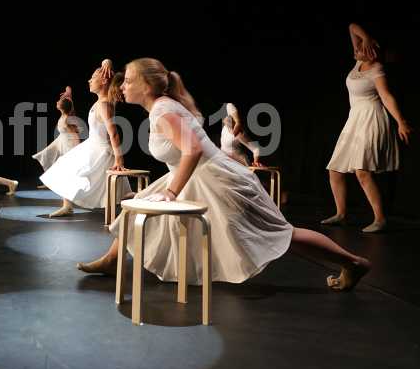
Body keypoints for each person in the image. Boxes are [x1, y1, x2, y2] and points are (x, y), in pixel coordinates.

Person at [78, 58, 370, 291]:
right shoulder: (164, 106)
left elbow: (193, 150)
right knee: (136, 209)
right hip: (200, 176)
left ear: (146, 85)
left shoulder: (162, 111)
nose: (122, 86)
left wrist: (170, 192)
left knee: (281, 235)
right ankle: (113, 260)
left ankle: (353, 262)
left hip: (218, 181)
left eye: (129, 80)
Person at [323, 23, 411, 232]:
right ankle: (341, 214)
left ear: (373, 51)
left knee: (362, 171)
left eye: (361, 47)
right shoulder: (359, 63)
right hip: (354, 119)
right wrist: (366, 38)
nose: (356, 49)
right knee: (335, 169)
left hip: (371, 118)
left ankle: (380, 219)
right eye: (359, 45)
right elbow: (351, 26)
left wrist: (401, 121)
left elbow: (386, 97)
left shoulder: (376, 70)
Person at [40, 60, 132, 217]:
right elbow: (108, 66)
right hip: (92, 146)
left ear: (104, 81)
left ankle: (140, 202)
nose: (89, 80)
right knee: (64, 165)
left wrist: (119, 159)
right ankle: (67, 206)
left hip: (100, 151)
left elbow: (114, 133)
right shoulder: (100, 102)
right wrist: (106, 62)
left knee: (116, 191)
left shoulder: (105, 104)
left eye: (93, 77)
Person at [32, 85, 81, 171]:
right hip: (63, 143)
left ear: (63, 106)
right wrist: (68, 93)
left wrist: (78, 149)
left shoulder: (67, 119)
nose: (57, 102)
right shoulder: (66, 114)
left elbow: (75, 135)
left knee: (69, 165)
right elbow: (68, 89)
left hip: (69, 145)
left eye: (59, 101)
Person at [220, 102, 262, 166]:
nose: (225, 118)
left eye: (228, 116)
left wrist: (255, 162)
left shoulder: (238, 134)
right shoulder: (224, 129)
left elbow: (256, 149)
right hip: (228, 164)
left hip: (241, 165)